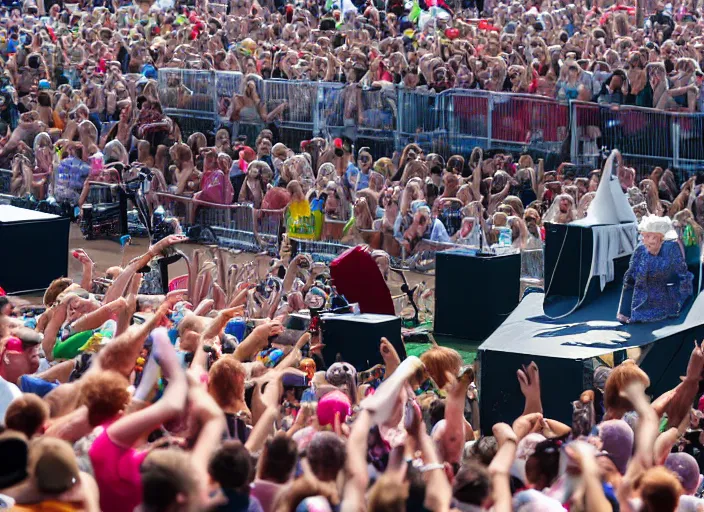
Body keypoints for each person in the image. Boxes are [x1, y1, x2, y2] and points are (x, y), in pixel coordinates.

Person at [618, 215, 694, 323]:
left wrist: (679, 303)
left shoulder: (671, 248)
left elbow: (683, 275)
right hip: (641, 304)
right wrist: (623, 311)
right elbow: (629, 280)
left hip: (665, 303)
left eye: (648, 236)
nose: (644, 240)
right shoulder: (640, 250)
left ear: (660, 237)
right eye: (643, 235)